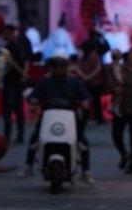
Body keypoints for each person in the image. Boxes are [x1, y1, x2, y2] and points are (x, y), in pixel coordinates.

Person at [19, 55, 93, 183]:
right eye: (56, 66)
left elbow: (86, 97)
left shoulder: (74, 82)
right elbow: (33, 95)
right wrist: (33, 99)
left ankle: (85, 172)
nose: (59, 69)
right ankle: (28, 166)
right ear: (51, 68)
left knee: (83, 142)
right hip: (48, 116)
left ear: (67, 68)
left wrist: (85, 102)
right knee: (34, 138)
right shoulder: (44, 82)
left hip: (70, 117)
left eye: (62, 66)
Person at [1, 23, 28, 144]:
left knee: (8, 110)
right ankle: (20, 135)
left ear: (9, 32)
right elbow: (26, 61)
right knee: (18, 110)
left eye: (4, 32)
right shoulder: (21, 44)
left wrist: (22, 73)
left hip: (11, 82)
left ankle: (7, 137)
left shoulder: (8, 47)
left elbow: (11, 62)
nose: (2, 35)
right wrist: (24, 74)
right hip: (18, 81)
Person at [106, 50, 129, 168]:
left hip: (130, 103)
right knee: (116, 134)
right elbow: (108, 84)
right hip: (118, 104)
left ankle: (130, 157)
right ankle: (124, 154)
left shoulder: (126, 68)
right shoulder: (109, 68)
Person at [77, 42, 106, 124]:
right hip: (95, 82)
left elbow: (78, 67)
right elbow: (98, 68)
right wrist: (89, 77)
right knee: (96, 101)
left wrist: (85, 77)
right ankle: (99, 118)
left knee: (87, 101)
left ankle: (86, 118)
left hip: (86, 82)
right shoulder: (94, 56)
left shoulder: (82, 57)